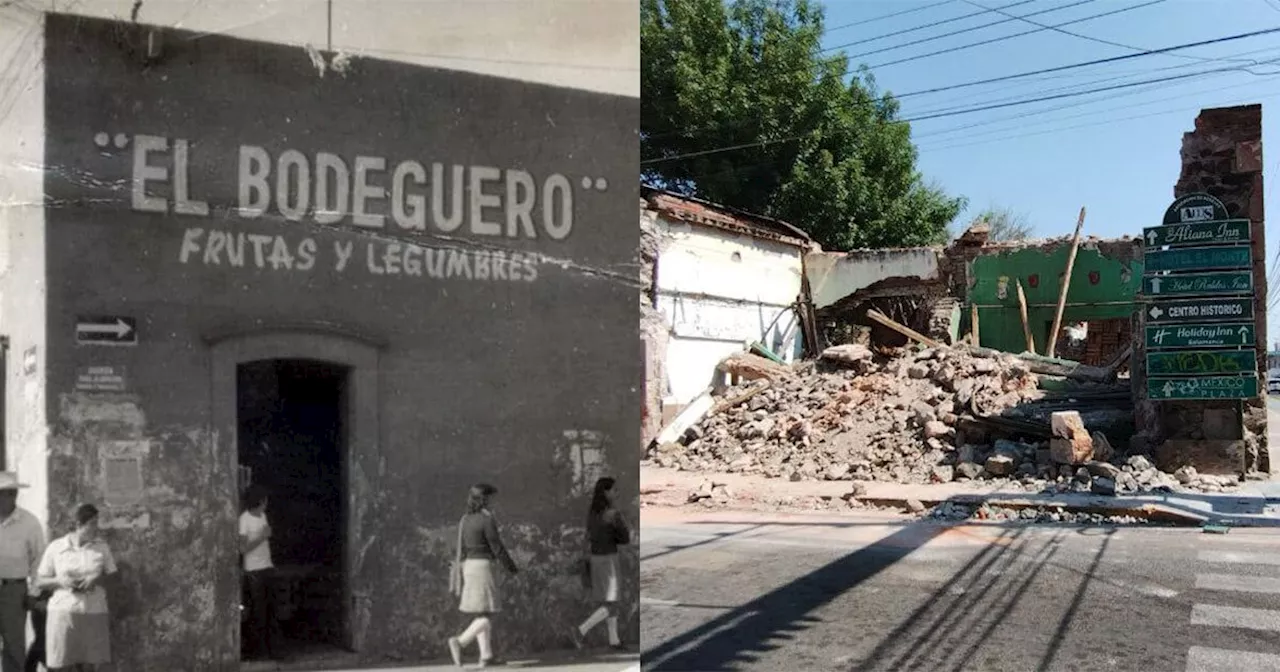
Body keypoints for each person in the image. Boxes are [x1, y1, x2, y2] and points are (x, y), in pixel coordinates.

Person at [36, 503, 116, 672]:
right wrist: (61, 581)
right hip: (64, 611)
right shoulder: (56, 547)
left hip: (94, 611)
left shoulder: (101, 547)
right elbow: (39, 581)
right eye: (92, 523)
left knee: (91, 664)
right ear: (79, 524)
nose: (97, 527)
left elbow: (112, 578)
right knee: (62, 663)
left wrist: (96, 579)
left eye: (97, 522)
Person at [446, 483, 518, 669]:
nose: (494, 502)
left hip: (469, 567)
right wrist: (511, 568)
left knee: (481, 613)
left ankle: (486, 656)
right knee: (490, 614)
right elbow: (497, 546)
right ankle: (460, 641)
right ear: (484, 499)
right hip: (483, 568)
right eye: (491, 498)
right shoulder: (487, 519)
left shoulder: (465, 519)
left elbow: (460, 548)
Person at [569, 477, 631, 651]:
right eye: (613, 490)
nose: (616, 493)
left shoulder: (592, 514)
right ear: (606, 492)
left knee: (610, 602)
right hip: (609, 559)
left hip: (595, 559)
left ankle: (614, 640)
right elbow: (625, 538)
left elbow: (589, 536)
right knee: (611, 602)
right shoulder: (613, 514)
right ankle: (581, 630)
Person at [0, 472, 44, 672]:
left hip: (14, 590)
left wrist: (34, 592)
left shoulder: (29, 522)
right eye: (3, 493)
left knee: (14, 646)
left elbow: (39, 560)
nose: (8, 497)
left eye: (11, 493)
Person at [239, 486, 283, 662]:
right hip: (254, 571)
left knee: (271, 610)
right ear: (260, 501)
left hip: (267, 567)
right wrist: (262, 537)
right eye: (265, 500)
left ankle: (272, 651)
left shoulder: (263, 516)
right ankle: (257, 651)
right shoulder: (244, 519)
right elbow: (242, 549)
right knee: (258, 612)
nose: (267, 503)